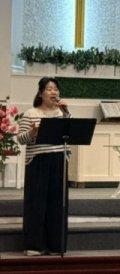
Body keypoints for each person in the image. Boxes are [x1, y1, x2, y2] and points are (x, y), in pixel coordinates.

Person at [16, 77, 71, 256]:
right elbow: (21, 139)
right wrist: (33, 131)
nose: (53, 92)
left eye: (55, 89)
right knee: (36, 204)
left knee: (57, 204)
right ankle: (34, 245)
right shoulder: (31, 113)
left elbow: (71, 134)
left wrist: (67, 114)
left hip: (59, 160)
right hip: (38, 161)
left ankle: (56, 245)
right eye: (49, 89)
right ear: (40, 94)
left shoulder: (62, 113)